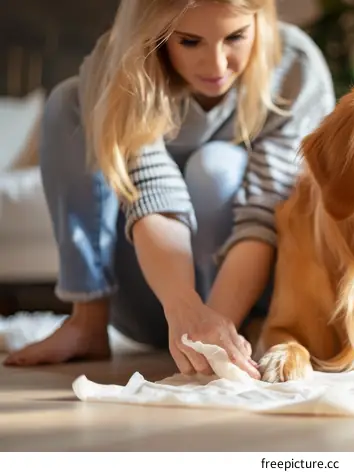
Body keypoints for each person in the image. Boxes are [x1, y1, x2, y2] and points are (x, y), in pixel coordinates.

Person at [3, 0, 335, 379]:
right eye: (190, 41)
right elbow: (151, 194)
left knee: (214, 166)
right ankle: (88, 323)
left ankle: (223, 328)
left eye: (236, 37)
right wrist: (184, 308)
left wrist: (212, 330)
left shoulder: (295, 66)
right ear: (156, 33)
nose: (216, 65)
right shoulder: (122, 59)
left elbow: (262, 218)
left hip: (246, 301)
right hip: (152, 298)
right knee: (68, 100)